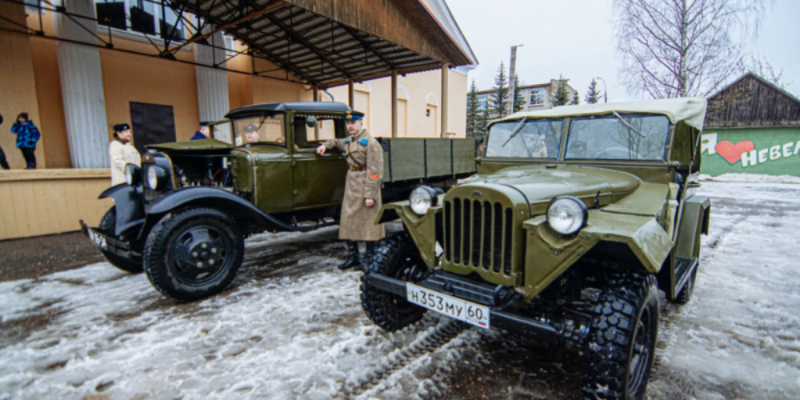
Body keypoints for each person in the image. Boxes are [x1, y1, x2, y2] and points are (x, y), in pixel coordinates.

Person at [316, 110, 384, 270]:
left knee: (369, 223)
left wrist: (370, 194)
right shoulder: (349, 141)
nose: (350, 126)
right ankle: (353, 258)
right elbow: (336, 142)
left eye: (353, 123)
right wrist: (325, 145)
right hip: (352, 185)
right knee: (348, 221)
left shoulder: (371, 143)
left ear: (361, 123)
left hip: (366, 184)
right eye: (348, 123)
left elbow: (375, 172)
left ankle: (368, 259)